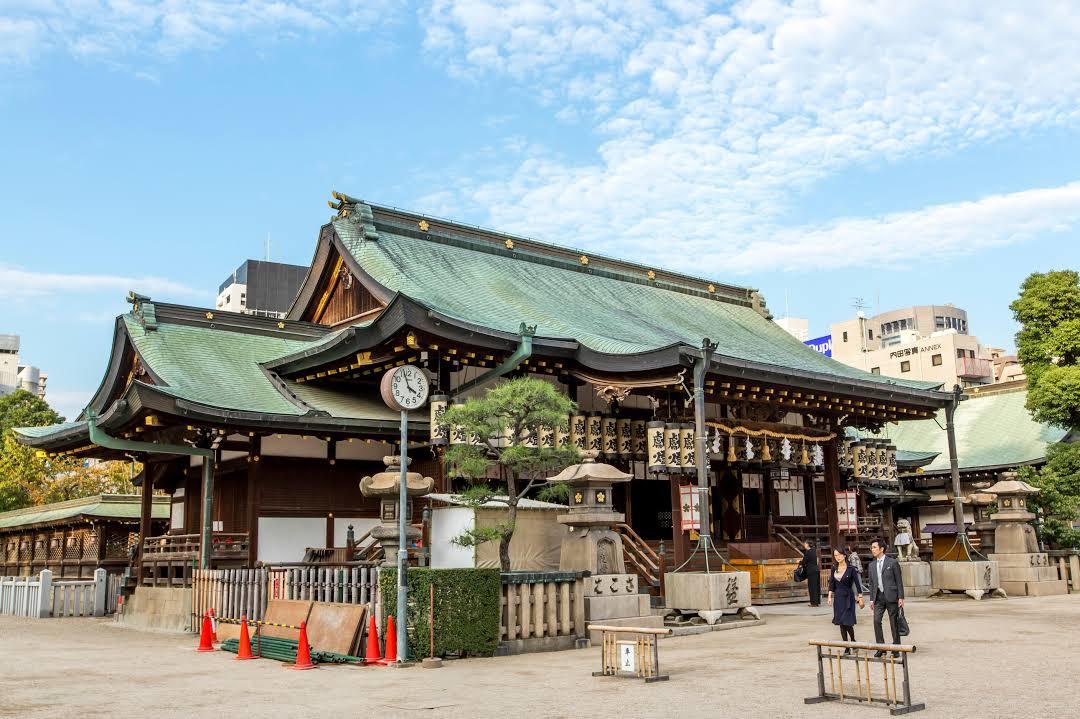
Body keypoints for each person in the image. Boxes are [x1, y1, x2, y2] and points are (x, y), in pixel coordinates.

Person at [867, 537, 905, 657]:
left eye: (874, 547)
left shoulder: (892, 563)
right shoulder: (871, 565)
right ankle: (881, 647)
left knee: (894, 623)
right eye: (871, 547)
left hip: (892, 596)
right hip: (878, 597)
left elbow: (899, 581)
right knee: (876, 621)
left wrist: (901, 597)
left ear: (881, 549)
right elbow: (872, 583)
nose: (872, 549)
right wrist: (871, 599)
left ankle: (895, 649)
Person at [827, 547, 861, 652]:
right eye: (835, 555)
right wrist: (829, 596)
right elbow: (832, 583)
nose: (837, 557)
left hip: (848, 597)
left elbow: (857, 583)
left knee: (848, 622)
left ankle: (853, 640)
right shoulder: (834, 568)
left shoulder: (851, 569)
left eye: (839, 555)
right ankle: (846, 647)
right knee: (841, 622)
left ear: (844, 555)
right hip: (838, 597)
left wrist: (860, 597)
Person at [802, 540, 820, 607]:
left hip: (811, 571)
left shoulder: (808, 552)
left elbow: (804, 562)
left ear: (807, 545)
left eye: (805, 544)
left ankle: (813, 603)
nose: (804, 545)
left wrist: (801, 563)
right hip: (816, 569)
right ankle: (817, 601)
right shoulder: (814, 551)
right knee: (816, 586)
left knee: (812, 587)